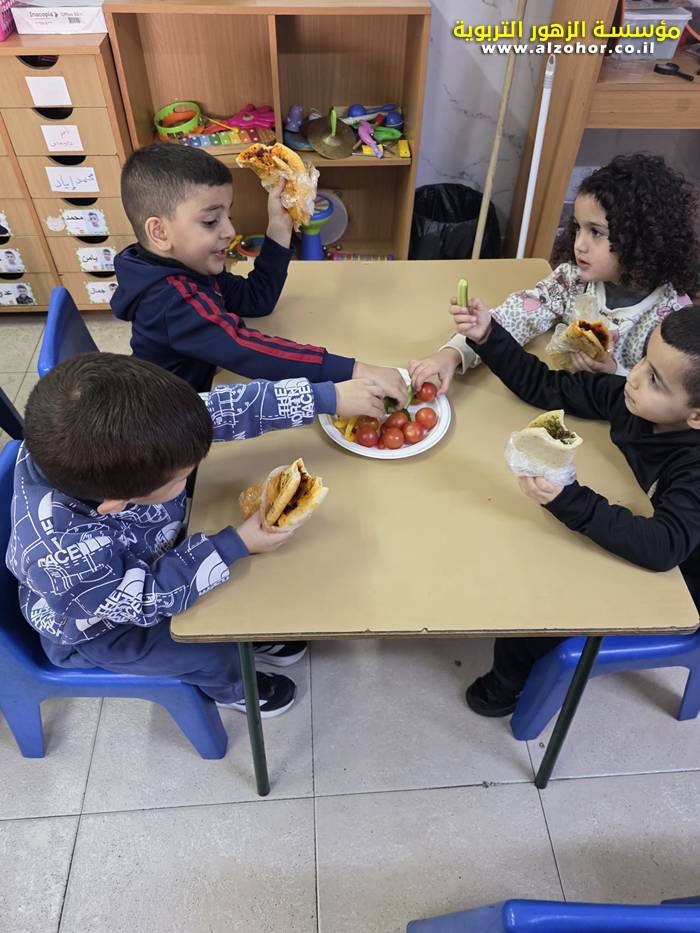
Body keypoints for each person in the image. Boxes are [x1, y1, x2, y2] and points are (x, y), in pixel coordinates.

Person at [6, 353, 386, 717]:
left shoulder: (114, 441)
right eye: (183, 476)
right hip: (104, 628)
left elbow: (222, 409)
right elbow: (148, 598)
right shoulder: (62, 554)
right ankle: (235, 689)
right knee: (209, 650)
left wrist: (326, 397)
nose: (192, 469)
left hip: (141, 563)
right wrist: (236, 544)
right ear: (116, 504)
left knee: (239, 597)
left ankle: (246, 637)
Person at [451, 298, 700, 717]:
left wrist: (569, 498)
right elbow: (547, 387)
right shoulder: (630, 400)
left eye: (655, 380)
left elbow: (665, 547)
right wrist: (489, 337)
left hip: (681, 579)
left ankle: (507, 683)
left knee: (542, 604)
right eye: (643, 360)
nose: (633, 377)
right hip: (638, 526)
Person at [111, 143, 407, 406]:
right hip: (170, 424)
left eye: (228, 215)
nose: (229, 231)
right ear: (159, 232)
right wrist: (353, 371)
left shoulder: (188, 267)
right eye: (211, 221)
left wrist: (279, 227)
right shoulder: (170, 299)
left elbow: (256, 300)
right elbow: (247, 350)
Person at [409, 154, 698, 393]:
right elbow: (515, 317)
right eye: (578, 227)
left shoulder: (670, 318)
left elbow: (670, 398)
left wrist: (614, 373)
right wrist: (452, 354)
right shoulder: (571, 280)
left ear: (639, 240)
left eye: (596, 232)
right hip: (557, 393)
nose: (579, 244)